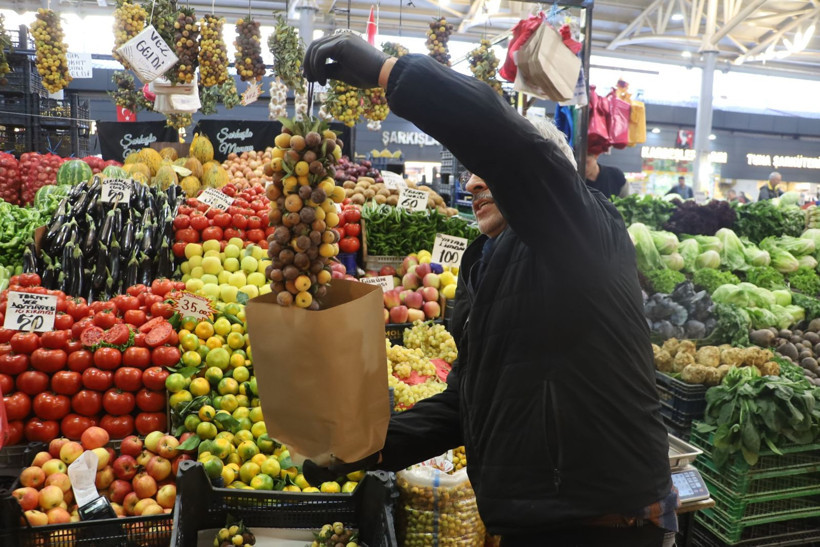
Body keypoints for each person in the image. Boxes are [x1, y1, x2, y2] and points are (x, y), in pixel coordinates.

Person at [302, 33, 677, 546]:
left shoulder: (586, 235)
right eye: (471, 173)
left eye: (488, 172)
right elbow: (467, 404)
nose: (473, 183)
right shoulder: (489, 266)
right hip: (530, 519)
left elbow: (514, 150)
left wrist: (392, 73)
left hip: (602, 521)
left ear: (545, 182)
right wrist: (361, 447)